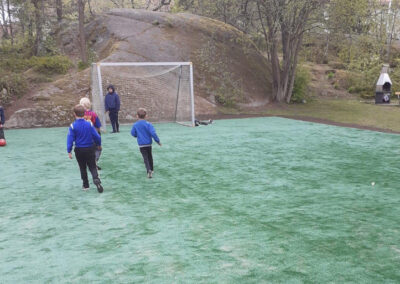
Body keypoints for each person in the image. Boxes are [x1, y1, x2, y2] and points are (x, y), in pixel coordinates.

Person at [67, 104, 104, 193]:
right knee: (92, 166)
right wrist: (98, 144)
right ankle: (96, 179)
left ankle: (86, 185)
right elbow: (97, 136)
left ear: (74, 114)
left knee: (82, 167)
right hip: (90, 148)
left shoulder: (72, 126)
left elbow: (70, 139)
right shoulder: (89, 124)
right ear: (84, 114)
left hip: (79, 149)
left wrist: (69, 151)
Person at [131, 108, 162, 178]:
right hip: (148, 144)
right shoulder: (148, 124)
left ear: (137, 116)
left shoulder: (135, 125)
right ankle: (152, 169)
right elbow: (153, 133)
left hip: (141, 145)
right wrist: (158, 141)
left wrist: (137, 135)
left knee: (145, 158)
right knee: (150, 156)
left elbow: (133, 133)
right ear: (146, 116)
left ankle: (148, 170)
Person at [80, 97, 102, 170]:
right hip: (92, 135)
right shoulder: (93, 114)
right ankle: (94, 162)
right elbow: (98, 125)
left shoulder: (79, 115)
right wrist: (98, 132)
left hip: (83, 136)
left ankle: (87, 163)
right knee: (97, 149)